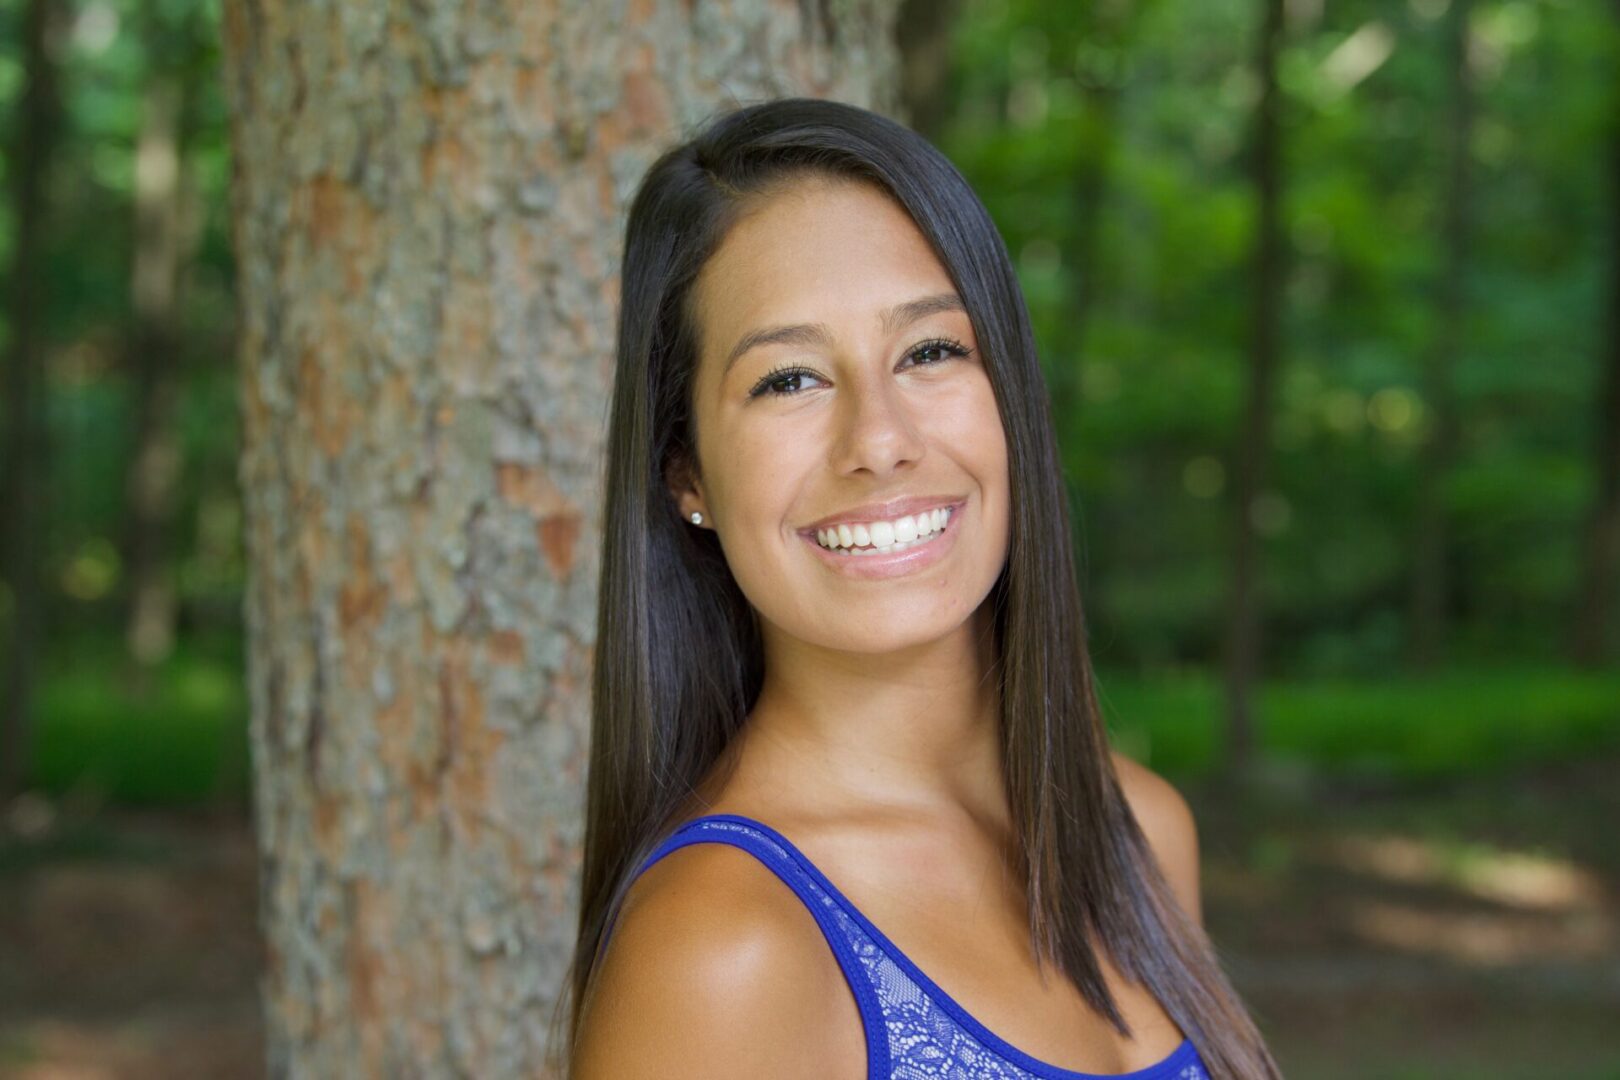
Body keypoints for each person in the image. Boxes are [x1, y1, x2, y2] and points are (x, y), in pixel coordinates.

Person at [551, 97, 1281, 1079]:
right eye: (790, 380)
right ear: (687, 473)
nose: (881, 442)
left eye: (932, 351)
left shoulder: (1136, 835)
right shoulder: (723, 945)